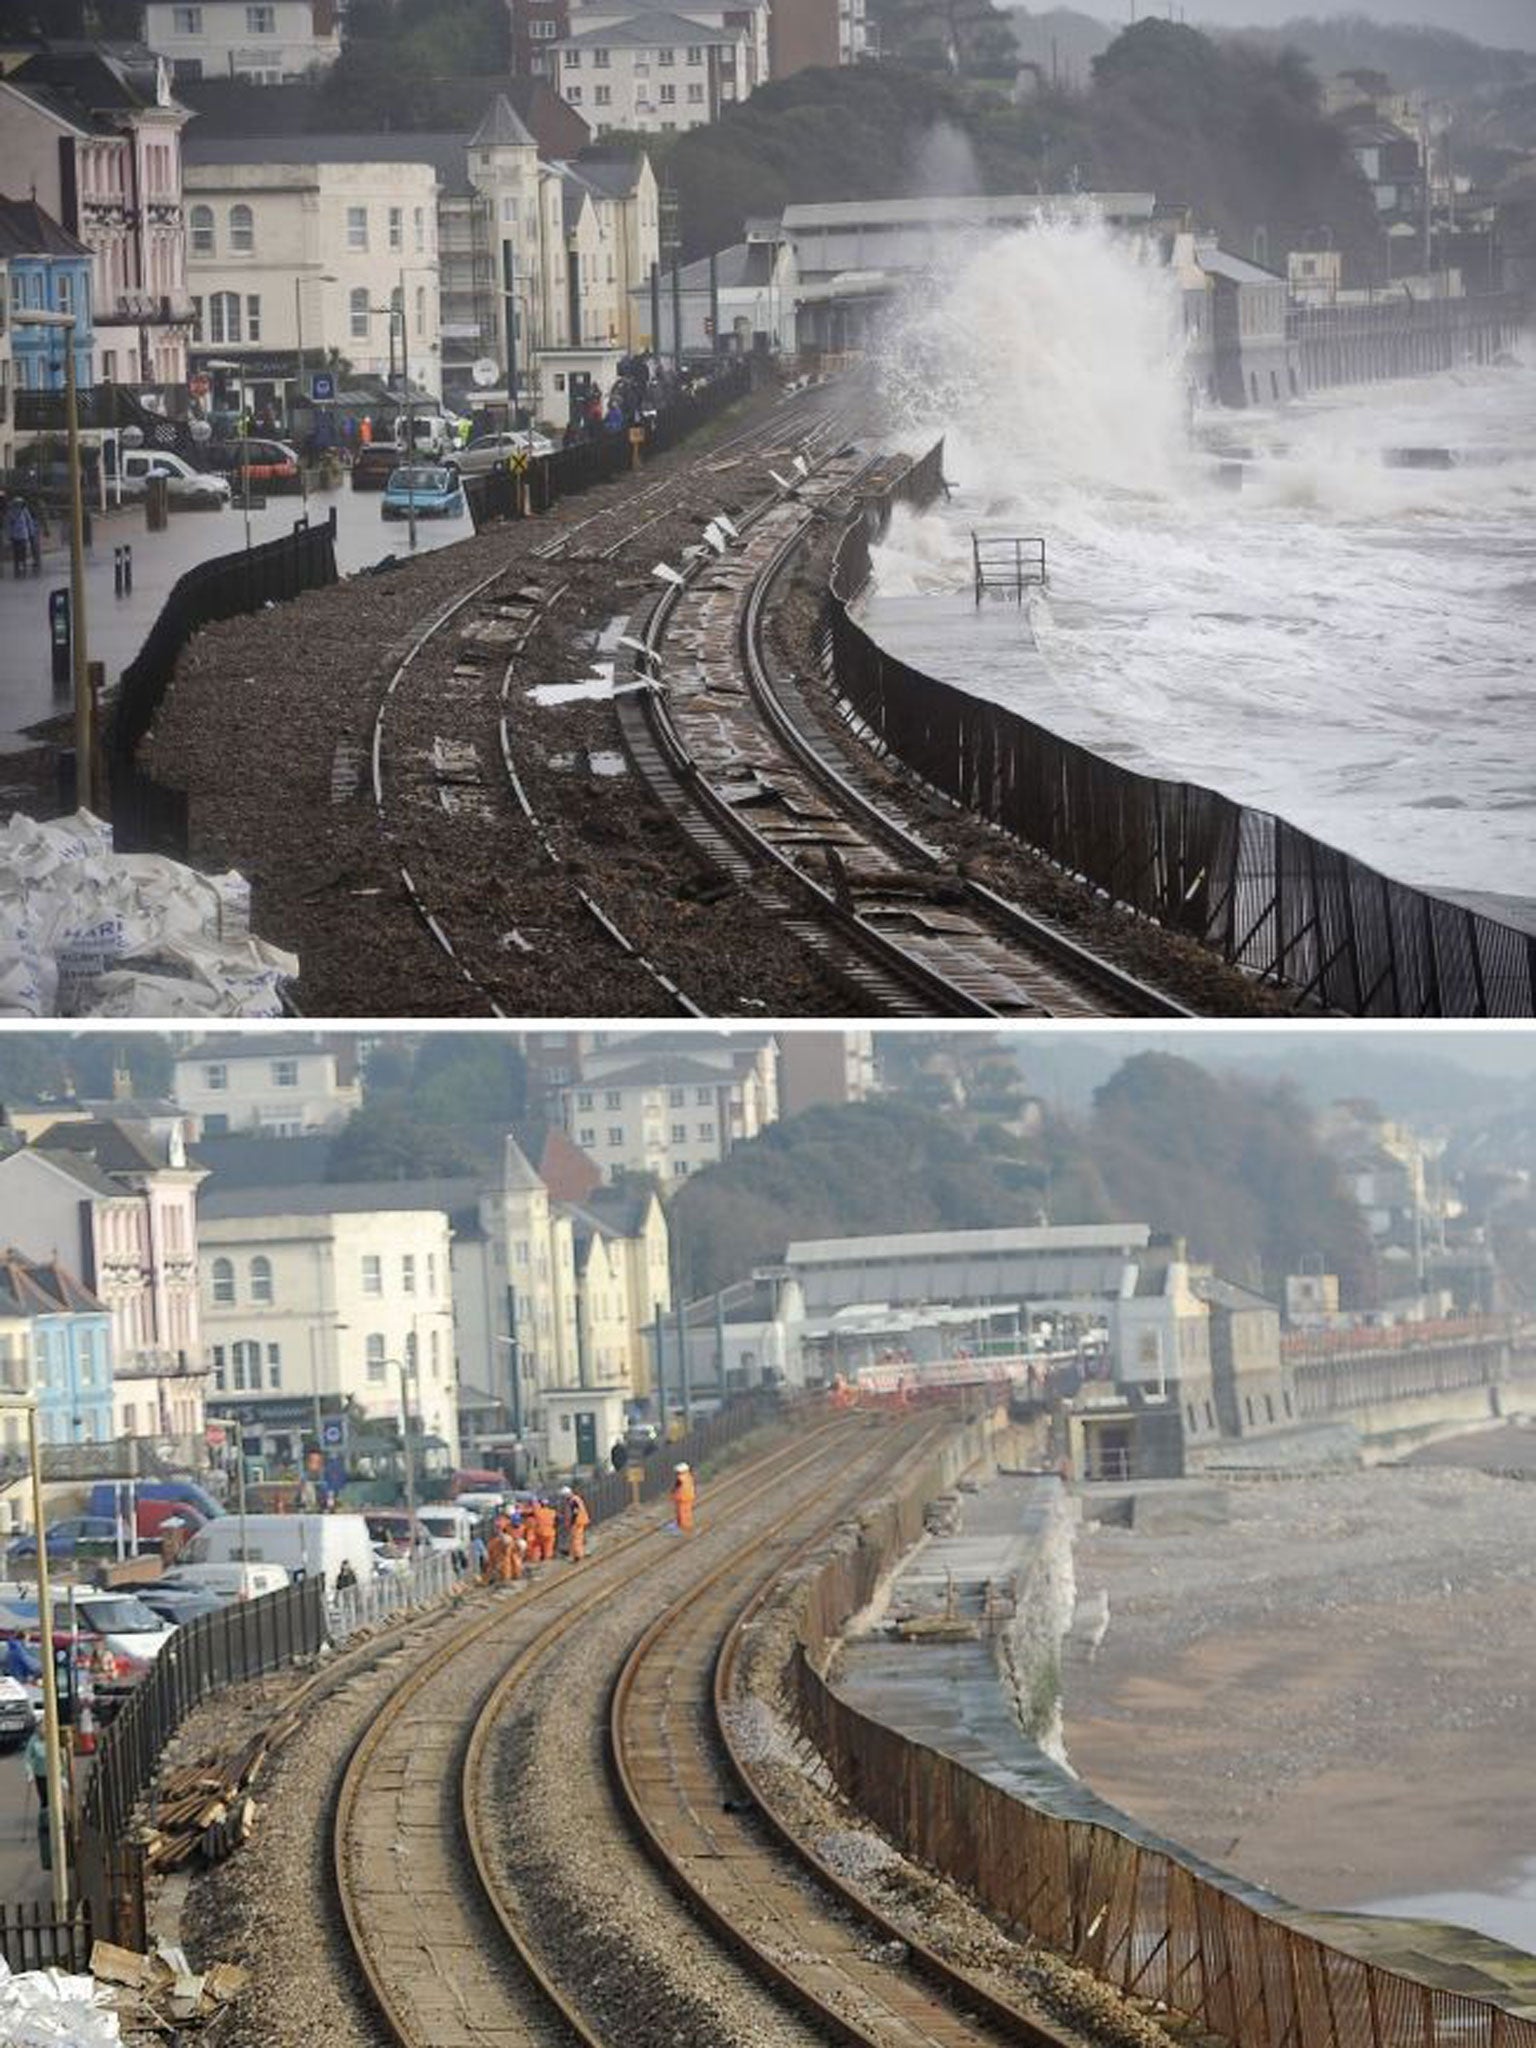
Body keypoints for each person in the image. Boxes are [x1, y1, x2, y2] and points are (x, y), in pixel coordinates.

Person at [5, 497, 36, 577]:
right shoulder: (10, 512)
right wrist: (9, 535)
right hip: (15, 536)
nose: (18, 504)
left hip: (24, 535)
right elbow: (8, 525)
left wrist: (31, 532)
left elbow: (29, 522)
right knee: (16, 553)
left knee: (23, 552)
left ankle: (23, 566)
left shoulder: (25, 511)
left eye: (20, 503)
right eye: (17, 503)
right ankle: (17, 568)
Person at [560, 1485, 590, 1563]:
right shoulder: (576, 1499)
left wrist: (572, 1522)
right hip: (581, 1520)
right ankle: (579, 1553)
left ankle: (578, 1555)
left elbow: (575, 1512)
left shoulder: (573, 1501)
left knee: (576, 1538)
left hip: (577, 1521)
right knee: (579, 1537)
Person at [671, 1461, 695, 1535]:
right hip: (690, 1496)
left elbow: (676, 1487)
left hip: (681, 1497)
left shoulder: (680, 1478)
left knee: (681, 1512)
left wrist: (672, 1492)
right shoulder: (689, 1476)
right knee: (688, 1511)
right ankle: (689, 1524)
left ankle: (683, 1526)